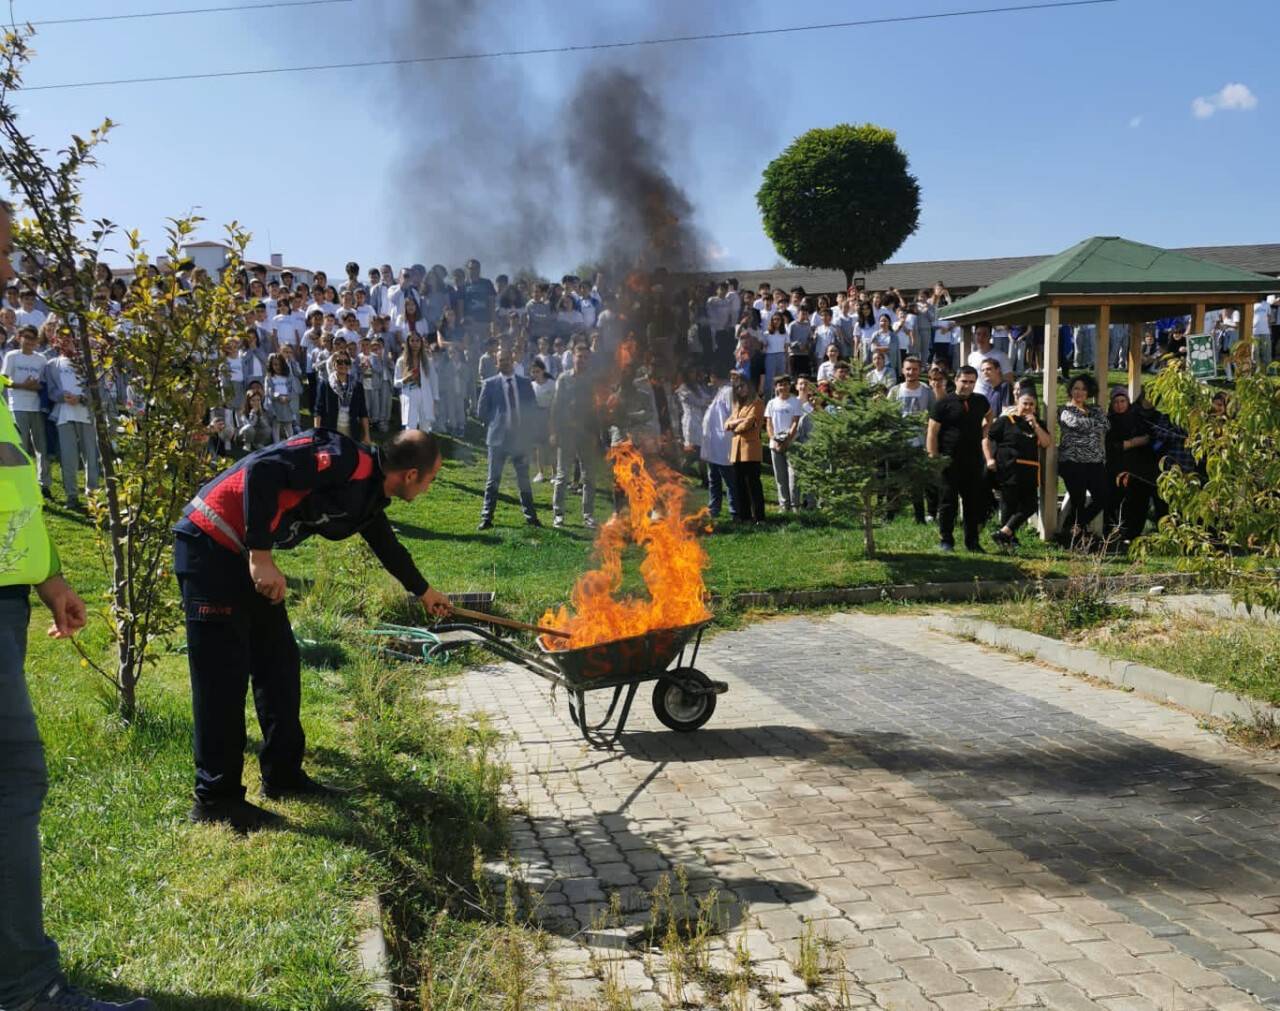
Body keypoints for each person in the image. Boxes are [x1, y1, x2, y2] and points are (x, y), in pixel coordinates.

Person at [3, 243, 156, 1011]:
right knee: (13, 774)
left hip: (10, 591)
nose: (7, 271)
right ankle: (27, 991)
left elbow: (9, 490)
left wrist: (50, 576)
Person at [174, 429, 449, 832]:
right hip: (210, 543)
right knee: (222, 678)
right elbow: (263, 472)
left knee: (279, 664)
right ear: (411, 475)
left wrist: (424, 592)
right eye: (431, 479)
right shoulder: (341, 458)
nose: (430, 487)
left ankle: (283, 777)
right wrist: (262, 557)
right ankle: (216, 799)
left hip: (244, 556)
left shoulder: (369, 494)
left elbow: (386, 544)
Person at [926, 365, 991, 552]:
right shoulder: (943, 403)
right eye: (964, 381)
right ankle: (946, 540)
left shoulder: (980, 401)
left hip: (973, 461)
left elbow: (989, 415)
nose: (967, 386)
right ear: (956, 381)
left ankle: (972, 542)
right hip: (949, 460)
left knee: (972, 502)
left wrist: (985, 431)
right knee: (948, 502)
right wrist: (933, 457)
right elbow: (932, 431)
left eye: (972, 382)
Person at [477, 348, 541, 530]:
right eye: (501, 360)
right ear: (496, 363)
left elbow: (532, 408)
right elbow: (481, 412)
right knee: (493, 480)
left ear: (513, 360)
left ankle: (531, 517)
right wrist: (497, 423)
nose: (504, 362)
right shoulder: (489, 384)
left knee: (523, 479)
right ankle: (486, 517)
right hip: (497, 440)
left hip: (519, 439)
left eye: (507, 359)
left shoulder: (525, 383)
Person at [985, 385, 1051, 548]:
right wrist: (989, 459)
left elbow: (1046, 442)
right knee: (1009, 505)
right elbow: (987, 439)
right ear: (1017, 402)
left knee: (1030, 506)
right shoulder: (1005, 421)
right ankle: (1007, 539)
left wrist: (1035, 425)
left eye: (1031, 405)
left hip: (1029, 470)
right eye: (1025, 403)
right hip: (1009, 469)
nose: (1028, 407)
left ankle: (1004, 534)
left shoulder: (1037, 424)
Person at [43, 331, 99, 510]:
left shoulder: (87, 362)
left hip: (86, 414)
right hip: (64, 416)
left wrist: (82, 399)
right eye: (62, 339)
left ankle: (93, 497)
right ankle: (72, 496)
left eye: (69, 339)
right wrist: (62, 397)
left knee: (90, 456)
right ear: (57, 342)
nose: (66, 342)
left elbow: (96, 388)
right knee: (68, 458)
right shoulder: (52, 364)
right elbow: (51, 391)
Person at [1057, 373, 1110, 547]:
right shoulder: (1064, 410)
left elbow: (1107, 425)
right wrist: (1094, 424)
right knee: (1078, 500)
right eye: (1076, 388)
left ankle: (1074, 527)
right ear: (1071, 390)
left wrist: (1090, 423)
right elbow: (1075, 423)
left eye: (1084, 389)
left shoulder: (1095, 410)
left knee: (1102, 498)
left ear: (1089, 392)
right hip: (1072, 462)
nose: (1079, 392)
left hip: (1095, 462)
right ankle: (1073, 538)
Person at [549, 341, 598, 530]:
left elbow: (596, 410)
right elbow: (556, 407)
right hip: (567, 433)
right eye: (580, 356)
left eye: (586, 357)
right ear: (573, 356)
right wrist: (554, 432)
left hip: (586, 434)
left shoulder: (592, 380)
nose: (582, 360)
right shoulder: (563, 379)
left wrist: (596, 434)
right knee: (563, 476)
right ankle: (558, 514)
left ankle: (588, 515)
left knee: (589, 477)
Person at [3, 325, 51, 499]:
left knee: (41, 448)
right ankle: (22, 485)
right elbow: (5, 380)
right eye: (27, 337)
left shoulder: (41, 359)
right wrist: (22, 385)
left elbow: (45, 386)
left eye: (33, 338)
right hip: (17, 406)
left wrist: (34, 387)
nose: (30, 341)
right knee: (21, 448)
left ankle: (44, 485)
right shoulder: (12, 356)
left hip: (37, 407)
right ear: (19, 337)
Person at [1105, 388, 1156, 546]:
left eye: (1123, 401)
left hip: (1140, 468)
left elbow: (1148, 439)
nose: (1119, 405)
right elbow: (1111, 446)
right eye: (1116, 402)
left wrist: (1132, 444)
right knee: (1117, 500)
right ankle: (1116, 532)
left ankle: (1134, 534)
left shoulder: (1137, 419)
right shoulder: (1108, 421)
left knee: (1139, 501)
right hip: (1117, 467)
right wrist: (1132, 443)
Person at [889, 356, 936, 523]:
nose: (911, 372)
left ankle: (920, 517)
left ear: (920, 370)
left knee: (918, 482)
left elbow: (933, 416)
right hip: (900, 443)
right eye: (908, 369)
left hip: (919, 443)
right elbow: (888, 416)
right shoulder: (895, 391)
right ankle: (890, 516)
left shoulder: (927, 391)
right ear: (903, 370)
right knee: (894, 481)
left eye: (915, 369)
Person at [725, 369, 765, 523]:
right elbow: (726, 424)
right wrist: (735, 423)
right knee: (739, 485)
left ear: (749, 386)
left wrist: (734, 425)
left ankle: (759, 517)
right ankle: (745, 516)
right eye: (737, 388)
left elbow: (748, 424)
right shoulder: (737, 406)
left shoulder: (757, 403)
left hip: (750, 450)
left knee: (753, 486)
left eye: (742, 386)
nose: (740, 390)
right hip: (736, 452)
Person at [700, 370, 739, 521]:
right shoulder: (720, 391)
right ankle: (714, 507)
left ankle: (735, 511)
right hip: (713, 444)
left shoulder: (729, 391)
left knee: (729, 480)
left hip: (724, 443)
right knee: (713, 479)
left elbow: (735, 414)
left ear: (714, 376)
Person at [764, 374, 804, 513]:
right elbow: (768, 423)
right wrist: (774, 439)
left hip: (791, 442)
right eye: (780, 384)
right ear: (776, 387)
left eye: (786, 384)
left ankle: (795, 505)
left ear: (790, 386)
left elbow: (795, 422)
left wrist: (787, 440)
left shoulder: (795, 402)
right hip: (775, 445)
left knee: (793, 476)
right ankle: (783, 505)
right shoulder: (771, 403)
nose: (783, 387)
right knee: (780, 476)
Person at [314, 350, 370, 443]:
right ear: (333, 364)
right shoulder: (325, 384)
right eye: (339, 362)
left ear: (350, 365)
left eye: (346, 362)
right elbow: (318, 411)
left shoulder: (357, 385)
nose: (343, 365)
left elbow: (363, 412)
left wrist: (367, 435)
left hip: (351, 432)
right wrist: (317, 433)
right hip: (330, 432)